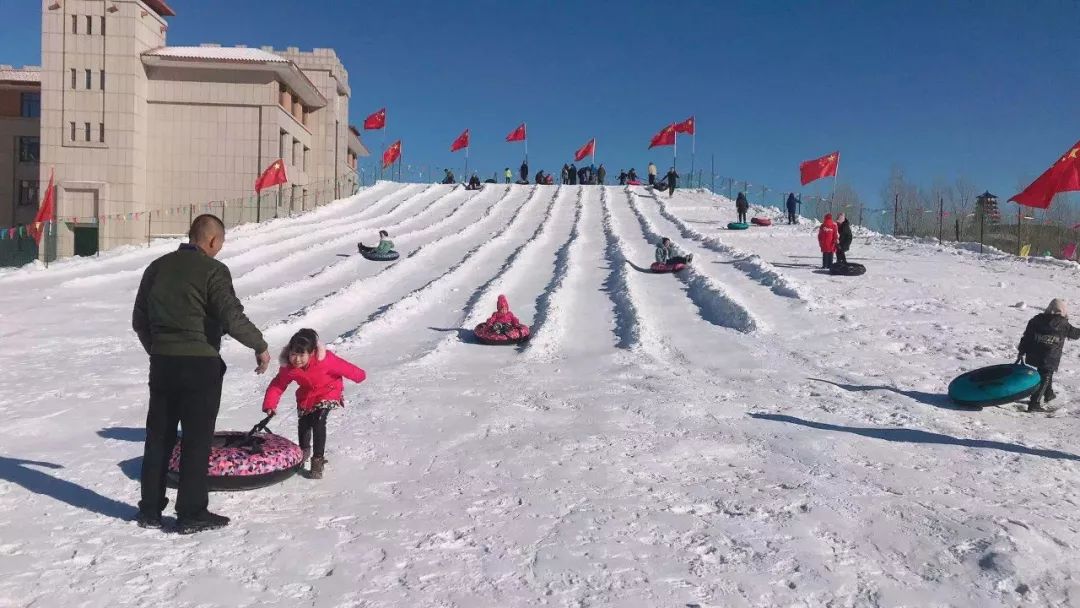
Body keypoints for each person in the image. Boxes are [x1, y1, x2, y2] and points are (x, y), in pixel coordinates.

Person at [132, 214, 270, 534]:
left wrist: (159, 348)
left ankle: (150, 509)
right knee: (196, 439)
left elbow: (140, 320)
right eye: (220, 242)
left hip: (163, 363)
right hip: (200, 364)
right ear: (211, 241)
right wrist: (259, 345)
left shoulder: (157, 267)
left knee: (159, 436)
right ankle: (191, 512)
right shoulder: (214, 270)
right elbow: (231, 316)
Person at [262, 329, 366, 478]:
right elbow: (278, 385)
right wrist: (270, 405)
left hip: (329, 391)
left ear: (311, 353)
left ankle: (318, 460)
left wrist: (360, 376)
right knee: (304, 424)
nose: (297, 359)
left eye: (301, 355)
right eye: (293, 354)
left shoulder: (326, 360)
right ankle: (302, 453)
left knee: (318, 420)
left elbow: (346, 368)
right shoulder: (288, 368)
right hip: (307, 396)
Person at [1018, 299, 1080, 412]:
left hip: (1034, 354)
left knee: (1046, 373)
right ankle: (1034, 403)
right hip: (1050, 357)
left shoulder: (1036, 320)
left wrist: (1022, 351)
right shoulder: (1063, 324)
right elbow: (1075, 334)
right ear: (1063, 311)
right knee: (1045, 376)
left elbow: (1027, 336)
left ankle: (1049, 394)